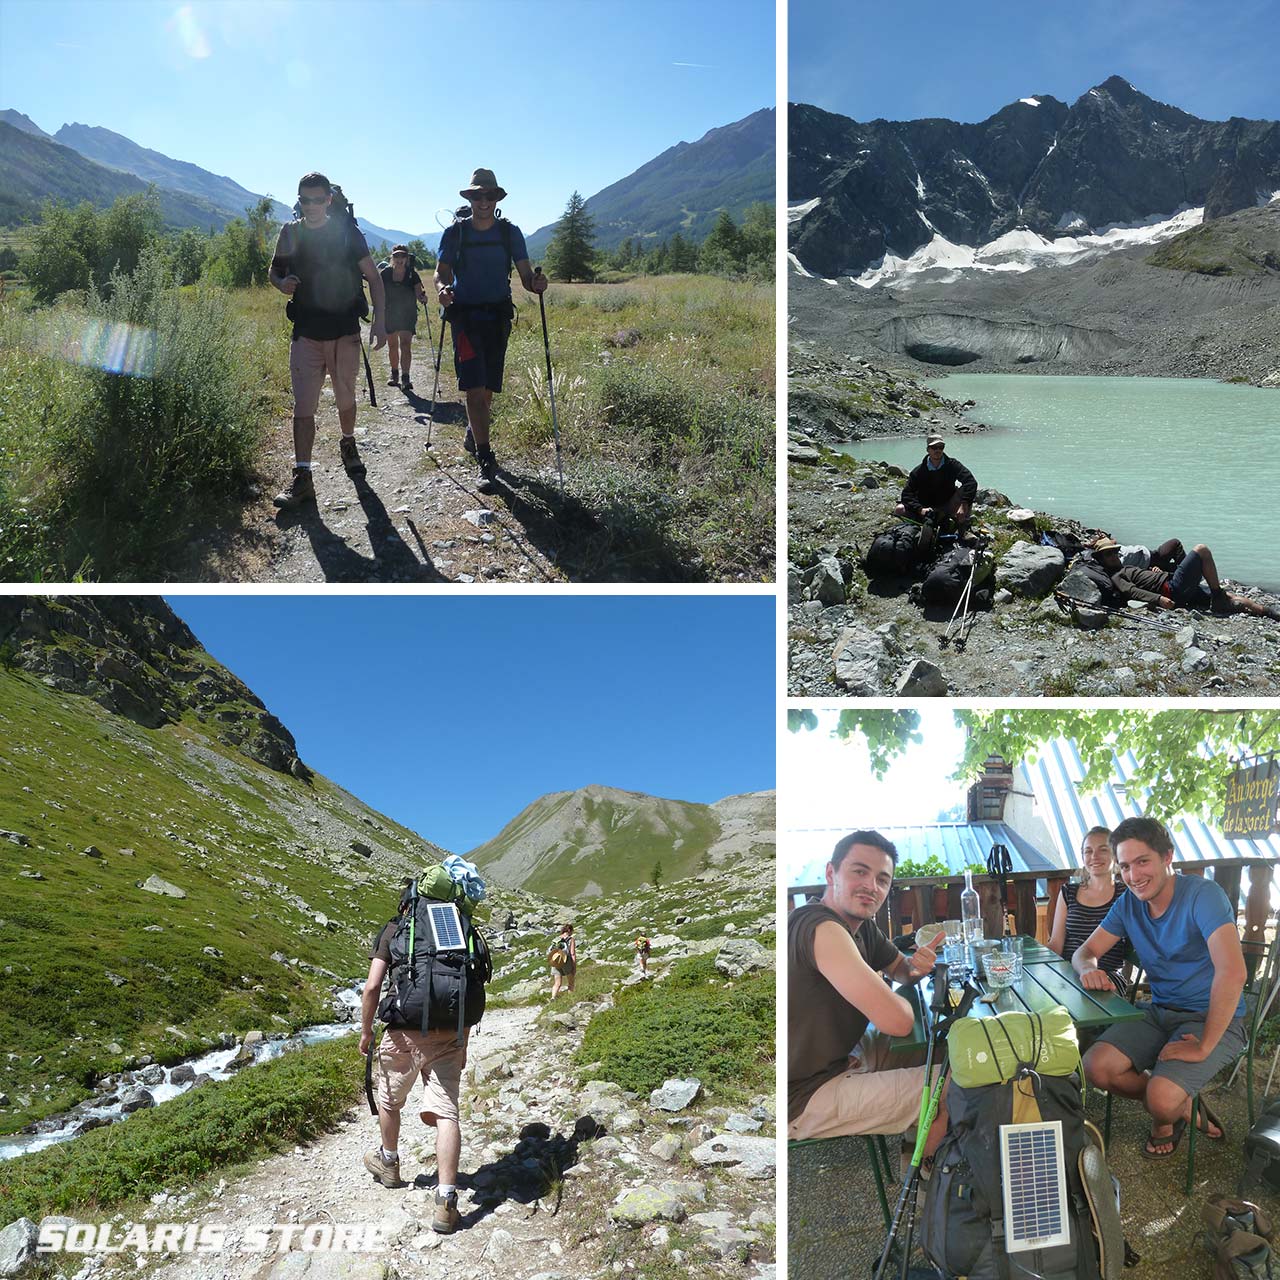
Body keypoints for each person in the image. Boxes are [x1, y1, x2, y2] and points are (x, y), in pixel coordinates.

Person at [1072, 815, 1247, 1160]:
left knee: (1161, 1099)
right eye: (1124, 866)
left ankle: (1165, 1114)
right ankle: (1179, 1104)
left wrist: (1204, 1046)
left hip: (1214, 1017)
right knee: (1094, 1067)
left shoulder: (1203, 895)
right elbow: (1085, 952)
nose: (1133, 876)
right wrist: (1088, 970)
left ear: (1167, 856)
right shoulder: (1127, 905)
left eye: (1142, 862)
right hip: (1158, 1011)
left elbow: (1233, 972)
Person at [788, 830, 946, 1153]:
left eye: (882, 879)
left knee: (947, 1050)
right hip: (805, 1093)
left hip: (846, 1057)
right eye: (859, 871)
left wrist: (916, 967)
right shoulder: (821, 927)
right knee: (952, 1085)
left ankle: (916, 1145)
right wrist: (889, 999)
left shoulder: (862, 928)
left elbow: (901, 969)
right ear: (831, 873)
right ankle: (931, 1186)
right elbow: (898, 1022)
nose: (871, 886)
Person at [270, 173, 387, 510]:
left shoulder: (347, 233)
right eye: (305, 200)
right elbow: (273, 271)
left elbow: (374, 278)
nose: (312, 206)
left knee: (345, 398)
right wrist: (281, 284)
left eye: (318, 200)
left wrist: (379, 321)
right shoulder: (290, 233)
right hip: (306, 332)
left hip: (344, 332)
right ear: (299, 201)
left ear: (329, 200)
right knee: (303, 406)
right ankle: (303, 477)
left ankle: (348, 442)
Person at [434, 169, 547, 494]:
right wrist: (443, 290)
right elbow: (441, 274)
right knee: (474, 387)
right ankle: (486, 459)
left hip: (498, 317)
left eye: (489, 196)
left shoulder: (510, 233)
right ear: (469, 199)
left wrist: (537, 284)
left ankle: (474, 431)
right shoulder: (455, 234)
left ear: (497, 199)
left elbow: (526, 276)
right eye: (477, 196)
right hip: (465, 318)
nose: (483, 201)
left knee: (487, 390)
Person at [359, 905, 466, 1233]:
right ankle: (446, 1203)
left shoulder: (396, 929)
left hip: (402, 1031)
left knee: (390, 1099)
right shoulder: (457, 932)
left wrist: (366, 1032)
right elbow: (468, 989)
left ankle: (389, 1163)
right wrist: (463, 1041)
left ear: (408, 904)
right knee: (447, 1113)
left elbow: (372, 988)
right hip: (450, 1033)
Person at [1092, 536, 1280, 619]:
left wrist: (1153, 571)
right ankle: (1217, 595)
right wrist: (1158, 599)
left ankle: (1270, 612)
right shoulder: (1116, 576)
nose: (1114, 556)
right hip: (1173, 589)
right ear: (1101, 559)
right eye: (1108, 555)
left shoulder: (1124, 567)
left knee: (1234, 599)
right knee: (1202, 550)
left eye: (1115, 552)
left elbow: (1140, 580)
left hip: (1177, 587)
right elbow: (1130, 590)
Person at [1048, 826, 1129, 995]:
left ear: (1115, 854)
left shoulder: (1125, 895)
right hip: (1067, 973)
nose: (1094, 857)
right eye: (1088, 851)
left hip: (1108, 977)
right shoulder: (1068, 892)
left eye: (1103, 850)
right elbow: (1056, 944)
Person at [893, 435, 977, 529]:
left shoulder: (952, 465)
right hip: (926, 508)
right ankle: (921, 525)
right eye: (934, 447)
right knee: (899, 509)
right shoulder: (918, 471)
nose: (938, 450)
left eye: (940, 447)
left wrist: (963, 504)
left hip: (948, 504)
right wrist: (920, 509)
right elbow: (907, 494)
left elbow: (971, 482)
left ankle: (962, 527)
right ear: (928, 450)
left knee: (966, 489)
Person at [379, 245, 428, 391]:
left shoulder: (412, 275)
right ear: (392, 258)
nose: (399, 259)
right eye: (396, 256)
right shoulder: (385, 274)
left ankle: (405, 378)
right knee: (392, 345)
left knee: (405, 345)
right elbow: (378, 291)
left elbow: (419, 293)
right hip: (390, 313)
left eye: (402, 256)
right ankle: (394, 374)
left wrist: (423, 298)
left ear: (407, 258)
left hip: (408, 313)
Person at [548, 922, 576, 998]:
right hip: (566, 961)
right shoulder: (571, 939)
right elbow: (572, 953)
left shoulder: (556, 939)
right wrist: (574, 966)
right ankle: (571, 998)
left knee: (557, 983)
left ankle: (553, 997)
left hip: (556, 961)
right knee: (571, 982)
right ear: (569, 930)